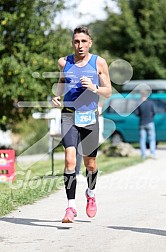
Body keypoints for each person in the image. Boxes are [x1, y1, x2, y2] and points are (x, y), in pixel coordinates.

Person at [52, 26, 111, 223]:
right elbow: (62, 82)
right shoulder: (64, 62)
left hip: (89, 117)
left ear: (90, 43)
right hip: (68, 115)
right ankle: (70, 207)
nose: (80, 45)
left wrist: (94, 88)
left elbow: (108, 91)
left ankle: (90, 194)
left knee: (90, 164)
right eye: (76, 41)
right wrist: (57, 95)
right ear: (72, 43)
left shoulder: (98, 63)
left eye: (83, 41)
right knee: (70, 160)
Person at [135, 90, 156, 159]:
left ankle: (143, 155)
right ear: (146, 96)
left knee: (142, 140)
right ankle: (152, 154)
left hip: (142, 123)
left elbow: (136, 113)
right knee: (152, 139)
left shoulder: (139, 104)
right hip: (150, 122)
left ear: (141, 96)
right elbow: (154, 112)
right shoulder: (150, 103)